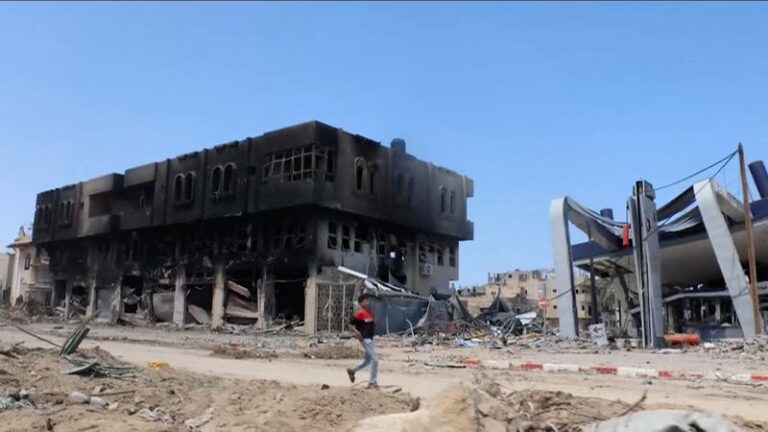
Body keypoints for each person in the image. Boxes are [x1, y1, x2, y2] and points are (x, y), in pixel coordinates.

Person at [347, 294, 378, 389]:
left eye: (367, 301)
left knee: (367, 360)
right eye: (365, 301)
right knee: (375, 360)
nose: (367, 303)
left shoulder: (370, 313)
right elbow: (350, 325)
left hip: (370, 338)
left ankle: (352, 370)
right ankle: (372, 382)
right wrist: (357, 333)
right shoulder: (359, 313)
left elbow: (371, 324)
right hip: (365, 339)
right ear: (360, 303)